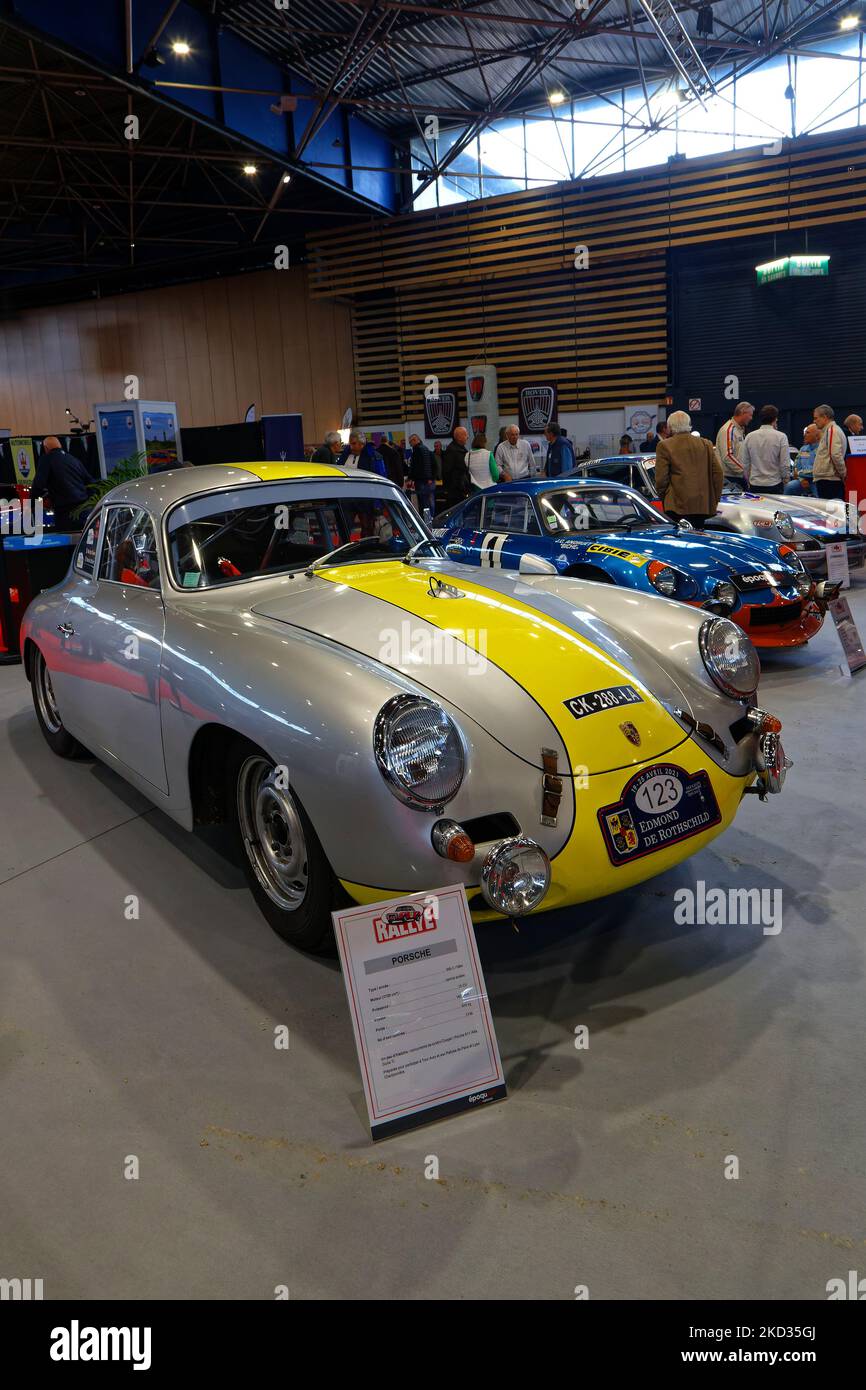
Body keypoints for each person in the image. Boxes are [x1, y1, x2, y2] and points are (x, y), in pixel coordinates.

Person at [654, 409, 723, 528]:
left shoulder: (664, 445)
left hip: (676, 506)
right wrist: (714, 499)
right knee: (699, 539)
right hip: (702, 505)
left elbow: (661, 478)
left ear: (670, 427)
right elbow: (718, 474)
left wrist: (663, 497)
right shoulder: (706, 443)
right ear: (689, 424)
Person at [31, 435, 92, 530]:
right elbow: (90, 482)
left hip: (65, 512)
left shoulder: (47, 459)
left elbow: (38, 485)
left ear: (46, 448)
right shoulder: (73, 459)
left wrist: (32, 502)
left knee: (67, 540)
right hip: (84, 510)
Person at [739, 404, 789, 494]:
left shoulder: (749, 437)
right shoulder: (781, 437)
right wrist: (785, 480)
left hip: (755, 484)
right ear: (775, 419)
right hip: (775, 484)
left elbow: (744, 463)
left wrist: (748, 480)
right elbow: (784, 464)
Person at [812, 404, 847, 500]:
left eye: (816, 418)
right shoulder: (829, 431)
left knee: (831, 512)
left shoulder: (832, 431)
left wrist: (842, 473)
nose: (814, 421)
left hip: (829, 479)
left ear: (825, 417)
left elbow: (835, 454)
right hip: (828, 478)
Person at [715, 401, 754, 483]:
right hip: (730, 478)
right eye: (750, 415)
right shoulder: (728, 430)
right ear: (742, 413)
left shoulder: (739, 430)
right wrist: (744, 471)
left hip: (737, 476)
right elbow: (727, 456)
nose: (751, 418)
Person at [785, 424, 819, 496]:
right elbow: (796, 466)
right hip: (802, 480)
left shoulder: (821, 449)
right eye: (805, 432)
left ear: (816, 435)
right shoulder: (803, 449)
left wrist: (800, 475)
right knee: (790, 487)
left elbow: (818, 470)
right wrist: (801, 479)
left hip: (816, 481)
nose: (804, 435)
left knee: (818, 493)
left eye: (808, 433)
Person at [441, 426, 471, 507]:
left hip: (461, 489)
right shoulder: (452, 451)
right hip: (456, 492)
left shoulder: (460, 449)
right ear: (458, 437)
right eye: (465, 434)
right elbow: (447, 471)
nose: (467, 437)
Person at [407, 433, 436, 515]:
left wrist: (410, 478)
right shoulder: (427, 449)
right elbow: (433, 465)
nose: (410, 445)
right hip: (429, 480)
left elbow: (415, 466)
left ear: (415, 440)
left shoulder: (416, 450)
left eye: (410, 442)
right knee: (431, 502)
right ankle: (432, 519)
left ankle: (425, 522)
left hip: (421, 481)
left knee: (424, 503)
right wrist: (431, 478)